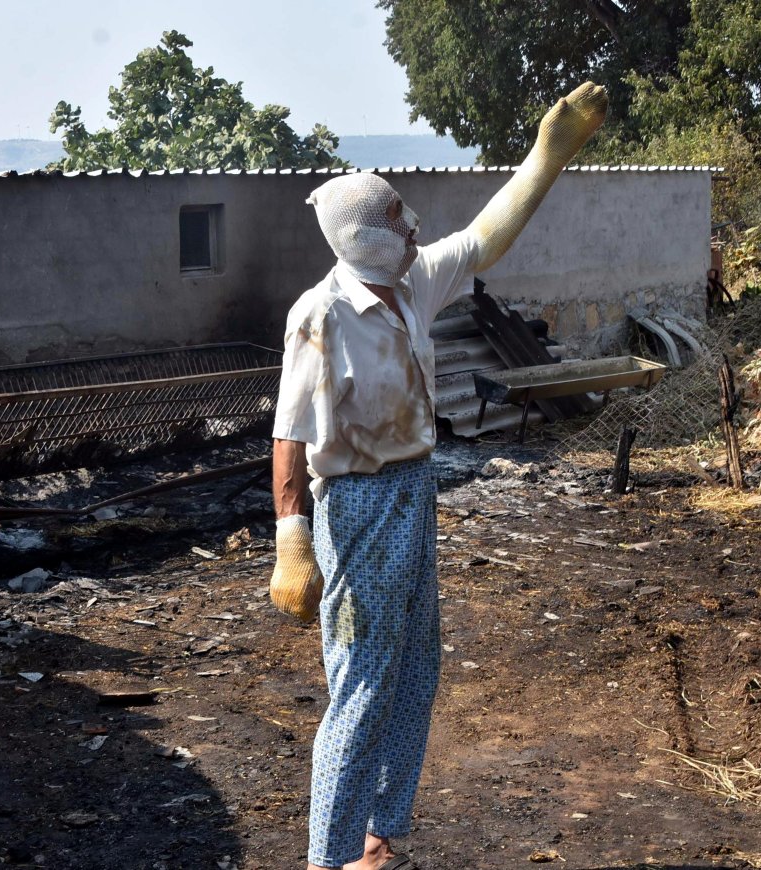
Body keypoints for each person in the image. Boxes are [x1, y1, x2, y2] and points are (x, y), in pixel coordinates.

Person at [270, 81, 609, 870]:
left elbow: (484, 238)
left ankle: (377, 836)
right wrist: (292, 541)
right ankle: (326, 859)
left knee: (417, 670)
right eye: (397, 216)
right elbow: (288, 433)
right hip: (357, 509)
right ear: (365, 236)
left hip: (415, 493)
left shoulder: (411, 283)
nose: (412, 223)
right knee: (360, 686)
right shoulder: (321, 316)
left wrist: (547, 156)